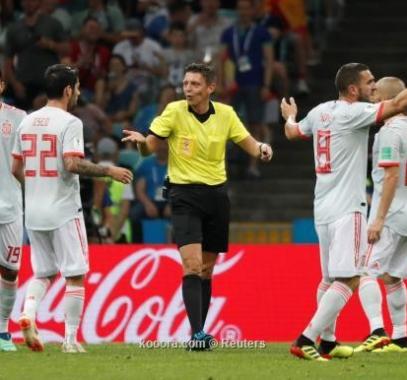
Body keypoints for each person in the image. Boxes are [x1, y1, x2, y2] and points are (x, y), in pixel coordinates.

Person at [122, 62, 272, 350]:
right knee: (190, 265)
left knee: (206, 269)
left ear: (210, 88)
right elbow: (150, 147)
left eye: (194, 84)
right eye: (186, 84)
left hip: (216, 196)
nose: (188, 89)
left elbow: (250, 144)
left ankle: (199, 332)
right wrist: (141, 143)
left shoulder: (226, 114)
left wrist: (263, 150)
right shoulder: (174, 111)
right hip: (183, 196)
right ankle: (198, 333)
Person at [281, 62, 407, 361]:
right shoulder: (354, 114)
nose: (373, 88)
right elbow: (400, 102)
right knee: (351, 278)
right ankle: (307, 337)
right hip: (348, 209)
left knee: (328, 278)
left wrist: (289, 117)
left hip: (322, 208)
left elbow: (292, 133)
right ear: (354, 89)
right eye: (369, 82)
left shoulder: (319, 112)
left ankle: (328, 342)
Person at [11, 64, 133, 353]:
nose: (78, 93)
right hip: (64, 210)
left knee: (43, 273)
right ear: (68, 90)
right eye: (77, 88)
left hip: (35, 212)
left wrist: (36, 188)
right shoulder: (70, 123)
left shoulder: (26, 121)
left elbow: (16, 167)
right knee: (74, 274)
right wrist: (108, 171)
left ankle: (27, 314)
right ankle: (69, 340)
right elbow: (72, 164)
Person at [356, 77, 407, 353]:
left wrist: (378, 219)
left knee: (365, 271)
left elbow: (390, 176)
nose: (371, 94)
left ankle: (376, 330)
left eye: (376, 91)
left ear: (388, 98)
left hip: (391, 213)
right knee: (392, 276)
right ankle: (401, 336)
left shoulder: (390, 131)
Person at [0, 70, 27, 351]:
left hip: (9, 205)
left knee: (10, 270)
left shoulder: (18, 118)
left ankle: (2, 331)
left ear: (2, 85)